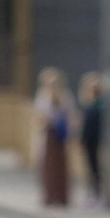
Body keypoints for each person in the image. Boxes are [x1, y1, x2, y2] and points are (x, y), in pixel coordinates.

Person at [34, 68, 72, 207]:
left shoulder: (65, 97)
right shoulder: (42, 97)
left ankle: (61, 197)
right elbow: (40, 116)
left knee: (60, 166)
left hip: (59, 134)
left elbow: (68, 114)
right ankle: (49, 196)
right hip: (48, 134)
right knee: (48, 166)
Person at [77, 72, 105, 209]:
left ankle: (97, 196)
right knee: (92, 171)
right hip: (90, 143)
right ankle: (93, 195)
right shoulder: (91, 106)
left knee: (96, 171)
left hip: (96, 143)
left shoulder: (99, 107)